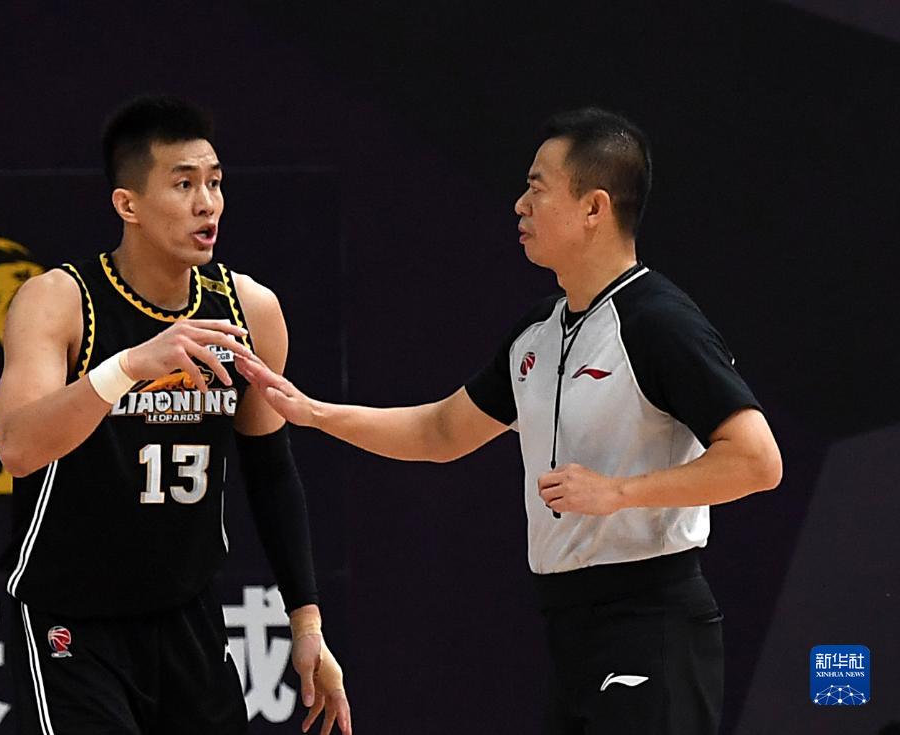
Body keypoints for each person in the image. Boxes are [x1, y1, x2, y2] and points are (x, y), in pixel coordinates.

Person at [236, 107, 782, 734]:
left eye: (537, 187)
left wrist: (619, 493)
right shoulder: (537, 333)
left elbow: (757, 461)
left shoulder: (660, 323)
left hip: (651, 619)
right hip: (569, 625)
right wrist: (313, 413)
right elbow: (441, 433)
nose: (520, 205)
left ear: (594, 207)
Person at [0, 96, 351, 735]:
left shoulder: (249, 310)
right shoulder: (60, 300)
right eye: (184, 184)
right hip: (73, 621)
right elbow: (18, 448)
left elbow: (271, 472)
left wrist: (307, 622)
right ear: (127, 204)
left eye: (214, 182)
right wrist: (128, 367)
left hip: (188, 617)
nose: (207, 203)